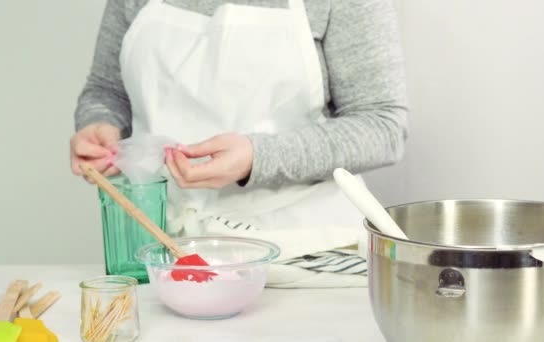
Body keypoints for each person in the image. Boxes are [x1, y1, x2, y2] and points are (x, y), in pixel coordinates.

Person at [70, 0, 408, 284]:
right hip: (166, 253)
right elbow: (106, 89)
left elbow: (382, 126)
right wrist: (100, 125)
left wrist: (257, 157)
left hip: (303, 254)